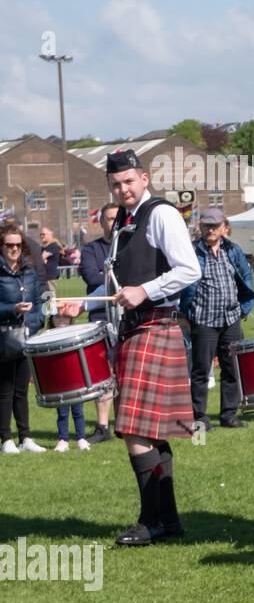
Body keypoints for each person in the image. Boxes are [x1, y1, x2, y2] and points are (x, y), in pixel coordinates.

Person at [58, 149, 202, 546]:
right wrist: (84, 303)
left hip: (156, 327)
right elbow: (118, 288)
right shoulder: (125, 221)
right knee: (154, 433)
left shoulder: (161, 214)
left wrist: (147, 291)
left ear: (144, 179)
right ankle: (168, 522)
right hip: (137, 331)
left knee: (135, 430)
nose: (122, 189)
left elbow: (190, 269)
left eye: (128, 182)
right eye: (115, 184)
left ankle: (150, 520)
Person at [179, 209, 254, 431]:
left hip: (231, 318)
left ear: (225, 227)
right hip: (203, 319)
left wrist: (243, 308)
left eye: (215, 225)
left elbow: (247, 277)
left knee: (232, 369)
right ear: (200, 228)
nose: (210, 229)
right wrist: (184, 315)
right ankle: (199, 417)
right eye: (206, 225)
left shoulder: (233, 250)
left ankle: (229, 415)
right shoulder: (191, 251)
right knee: (201, 371)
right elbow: (181, 284)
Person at [0, 224, 45, 454]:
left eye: (18, 245)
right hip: (4, 338)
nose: (14, 249)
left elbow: (38, 301)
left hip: (27, 337)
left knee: (21, 390)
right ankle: (6, 439)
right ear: (2, 246)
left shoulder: (29, 271)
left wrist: (36, 322)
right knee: (5, 390)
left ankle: (25, 437)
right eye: (9, 245)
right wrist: (13, 309)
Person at [79, 203, 120, 442]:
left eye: (117, 218)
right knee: (104, 375)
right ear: (101, 221)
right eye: (109, 218)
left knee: (125, 374)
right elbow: (91, 277)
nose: (113, 222)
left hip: (129, 316)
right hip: (101, 317)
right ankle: (103, 427)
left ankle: (125, 423)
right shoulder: (91, 249)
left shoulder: (128, 246)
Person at [47, 312, 91, 451]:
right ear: (51, 319)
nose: (61, 320)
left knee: (78, 411)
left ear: (71, 319)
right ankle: (63, 440)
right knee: (62, 413)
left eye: (65, 317)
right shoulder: (48, 336)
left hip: (75, 380)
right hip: (60, 383)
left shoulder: (75, 334)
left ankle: (81, 438)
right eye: (57, 317)